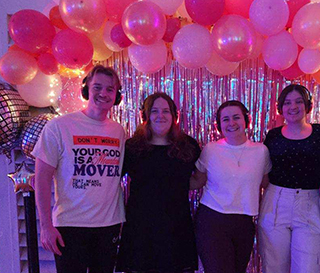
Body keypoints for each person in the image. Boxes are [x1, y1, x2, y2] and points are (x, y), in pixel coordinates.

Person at [32, 65, 126, 273]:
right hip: (70, 225)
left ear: (116, 95)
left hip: (108, 224)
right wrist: (46, 226)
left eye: (110, 89)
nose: (103, 93)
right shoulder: (58, 126)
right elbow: (42, 177)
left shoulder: (118, 131)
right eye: (97, 87)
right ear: (86, 90)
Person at [116, 93, 200, 273]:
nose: (160, 116)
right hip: (140, 230)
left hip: (177, 228)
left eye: (165, 111)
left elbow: (200, 178)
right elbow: (111, 180)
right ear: (146, 116)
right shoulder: (132, 147)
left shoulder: (188, 145)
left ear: (174, 115)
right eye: (154, 111)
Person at [191, 100, 271, 273]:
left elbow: (266, 183)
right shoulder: (211, 149)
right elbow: (197, 180)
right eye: (225, 119)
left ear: (246, 120)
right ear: (219, 125)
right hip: (212, 220)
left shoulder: (261, 151)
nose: (231, 123)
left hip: (244, 222)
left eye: (236, 117)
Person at [258, 84, 320, 273]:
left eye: (299, 101)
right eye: (288, 102)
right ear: (281, 107)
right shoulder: (273, 136)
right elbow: (264, 171)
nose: (293, 106)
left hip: (309, 203)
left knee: (308, 267)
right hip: (276, 202)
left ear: (308, 105)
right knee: (273, 266)